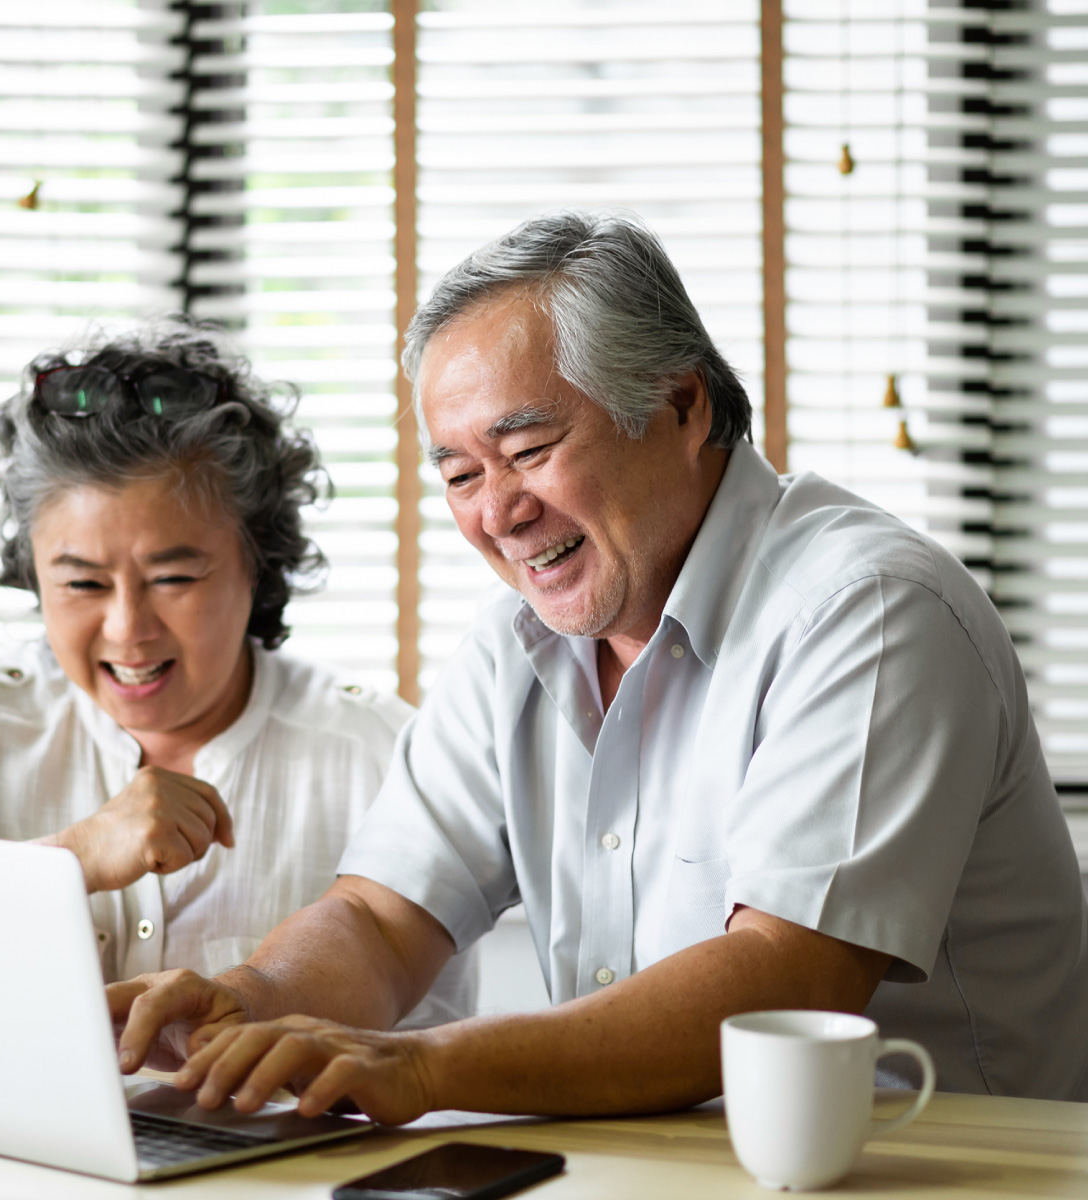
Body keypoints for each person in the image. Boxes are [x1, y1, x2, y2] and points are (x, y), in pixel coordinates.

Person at [110, 214, 1088, 1121]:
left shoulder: (868, 609)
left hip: (930, 1168)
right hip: (653, 1165)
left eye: (529, 449)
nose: (497, 512)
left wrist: (423, 1066)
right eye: (460, 474)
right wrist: (247, 1005)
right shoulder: (514, 646)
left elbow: (785, 979)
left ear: (680, 404)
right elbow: (379, 917)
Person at [0, 321, 475, 1028]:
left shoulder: (376, 756)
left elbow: (424, 1044)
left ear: (258, 564)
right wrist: (68, 861)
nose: (128, 629)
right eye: (82, 584)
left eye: (173, 578)